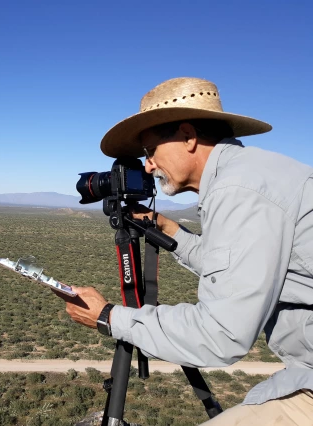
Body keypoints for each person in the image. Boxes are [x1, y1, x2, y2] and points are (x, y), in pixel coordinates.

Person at [62, 77, 313, 424]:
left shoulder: (239, 189)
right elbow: (237, 268)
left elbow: (221, 334)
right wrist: (169, 230)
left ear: (188, 136)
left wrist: (108, 316)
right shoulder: (253, 173)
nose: (148, 165)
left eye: (150, 151)